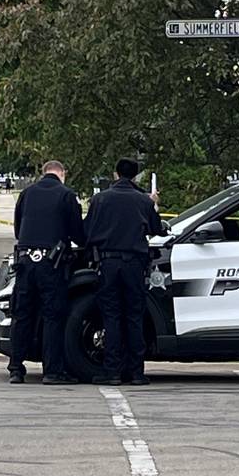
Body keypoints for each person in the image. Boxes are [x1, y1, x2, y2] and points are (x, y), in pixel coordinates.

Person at [8, 160, 85, 385]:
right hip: (52, 264)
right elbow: (77, 234)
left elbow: (17, 228)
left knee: (22, 315)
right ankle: (52, 371)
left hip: (25, 261)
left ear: (44, 173)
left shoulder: (27, 194)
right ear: (62, 173)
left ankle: (16, 369)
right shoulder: (66, 195)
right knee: (53, 316)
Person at [84, 157, 161, 386]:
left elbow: (87, 231)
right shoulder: (142, 201)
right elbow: (156, 229)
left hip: (108, 263)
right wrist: (153, 204)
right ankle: (136, 372)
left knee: (111, 317)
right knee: (134, 316)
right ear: (135, 176)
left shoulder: (100, 199)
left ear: (115, 174)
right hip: (134, 264)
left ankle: (112, 371)